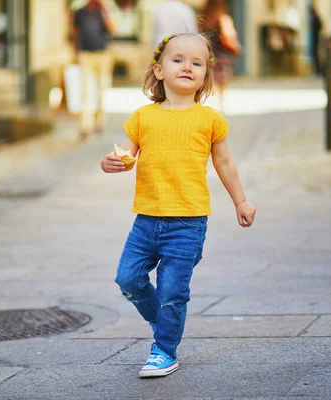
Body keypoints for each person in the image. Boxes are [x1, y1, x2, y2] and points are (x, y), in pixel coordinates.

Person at [100, 32, 256, 378]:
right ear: (158, 70)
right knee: (128, 279)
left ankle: (165, 349)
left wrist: (240, 201)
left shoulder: (209, 120)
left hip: (188, 222)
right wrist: (112, 162)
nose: (187, 66)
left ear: (205, 75)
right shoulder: (143, 117)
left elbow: (225, 164)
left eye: (196, 62)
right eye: (178, 59)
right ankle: (166, 322)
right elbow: (125, 155)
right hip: (146, 220)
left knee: (173, 289)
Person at [72, 0, 116, 139]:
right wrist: (75, 52)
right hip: (85, 54)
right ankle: (85, 124)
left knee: (101, 87)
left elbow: (112, 30)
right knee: (85, 89)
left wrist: (104, 12)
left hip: (102, 54)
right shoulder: (80, 12)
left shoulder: (103, 12)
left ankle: (100, 120)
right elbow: (74, 32)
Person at [199, 0, 242, 111]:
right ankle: (220, 102)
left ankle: (211, 101)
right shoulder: (223, 17)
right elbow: (230, 34)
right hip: (221, 53)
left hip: (207, 51)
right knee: (222, 79)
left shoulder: (202, 17)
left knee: (209, 77)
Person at [310, 5, 323, 76]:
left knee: (317, 56)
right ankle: (316, 70)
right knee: (315, 56)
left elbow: (320, 26)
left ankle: (318, 71)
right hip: (314, 40)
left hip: (317, 40)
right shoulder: (313, 19)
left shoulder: (317, 19)